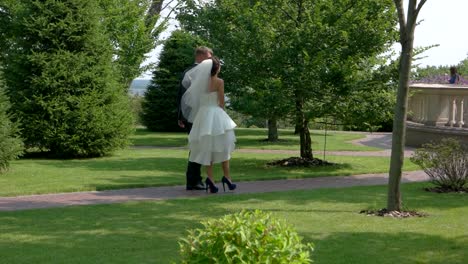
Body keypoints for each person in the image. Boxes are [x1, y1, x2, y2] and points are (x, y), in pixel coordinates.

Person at [181, 57, 237, 193]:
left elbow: (194, 100)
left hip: (203, 116)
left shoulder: (199, 82)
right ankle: (227, 178)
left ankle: (211, 180)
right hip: (216, 114)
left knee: (207, 148)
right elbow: (222, 102)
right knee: (224, 146)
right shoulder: (219, 82)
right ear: (217, 68)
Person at [177, 46, 213, 190]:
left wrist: (180, 116)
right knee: (197, 147)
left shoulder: (188, 71)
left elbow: (180, 95)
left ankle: (195, 179)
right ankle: (193, 181)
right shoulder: (197, 72)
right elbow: (184, 95)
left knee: (198, 147)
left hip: (191, 116)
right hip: (197, 116)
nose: (211, 61)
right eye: (209, 57)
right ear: (202, 56)